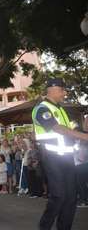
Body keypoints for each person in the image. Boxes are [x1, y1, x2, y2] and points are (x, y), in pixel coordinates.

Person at [32, 78, 88, 230]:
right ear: (52, 89)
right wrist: (85, 137)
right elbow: (59, 129)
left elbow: (71, 130)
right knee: (59, 196)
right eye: (62, 89)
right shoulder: (41, 109)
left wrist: (82, 131)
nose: (65, 93)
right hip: (52, 158)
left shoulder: (61, 109)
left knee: (70, 198)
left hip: (67, 158)